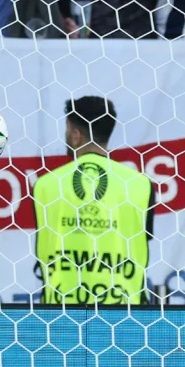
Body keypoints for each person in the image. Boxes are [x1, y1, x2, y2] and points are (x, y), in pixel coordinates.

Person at [34, 97, 156, 305]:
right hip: (125, 315)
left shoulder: (46, 185)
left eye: (66, 129)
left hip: (60, 316)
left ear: (75, 135)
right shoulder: (141, 185)